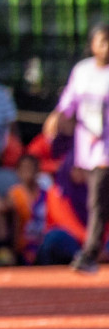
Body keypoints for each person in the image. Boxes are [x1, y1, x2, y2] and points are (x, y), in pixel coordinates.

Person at [42, 21, 109, 273]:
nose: (106, 47)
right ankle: (91, 253)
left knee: (97, 202)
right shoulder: (82, 71)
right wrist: (56, 117)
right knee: (98, 202)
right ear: (92, 44)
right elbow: (68, 100)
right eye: (102, 41)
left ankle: (90, 254)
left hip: (106, 149)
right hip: (89, 150)